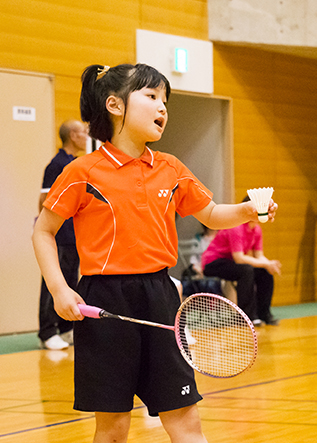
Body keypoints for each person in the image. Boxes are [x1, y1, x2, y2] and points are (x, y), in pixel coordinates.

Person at [32, 63, 278, 443]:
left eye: (165, 100)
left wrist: (246, 211)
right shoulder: (83, 172)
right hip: (105, 299)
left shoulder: (170, 168)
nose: (162, 107)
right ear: (114, 105)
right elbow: (43, 231)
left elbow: (210, 213)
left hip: (162, 297)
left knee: (184, 419)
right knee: (113, 427)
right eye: (151, 97)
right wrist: (60, 289)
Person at [38, 120, 88, 350]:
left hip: (73, 236)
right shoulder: (56, 165)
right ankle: (47, 332)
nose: (87, 136)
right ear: (72, 135)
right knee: (52, 285)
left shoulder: (75, 163)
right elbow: (44, 201)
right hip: (58, 237)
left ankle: (66, 329)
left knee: (70, 281)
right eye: (83, 132)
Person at [202, 196, 281, 326]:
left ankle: (264, 314)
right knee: (246, 270)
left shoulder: (256, 230)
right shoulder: (236, 227)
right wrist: (267, 263)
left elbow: (259, 256)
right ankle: (246, 316)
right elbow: (239, 258)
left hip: (231, 261)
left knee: (264, 272)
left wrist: (269, 264)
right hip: (213, 262)